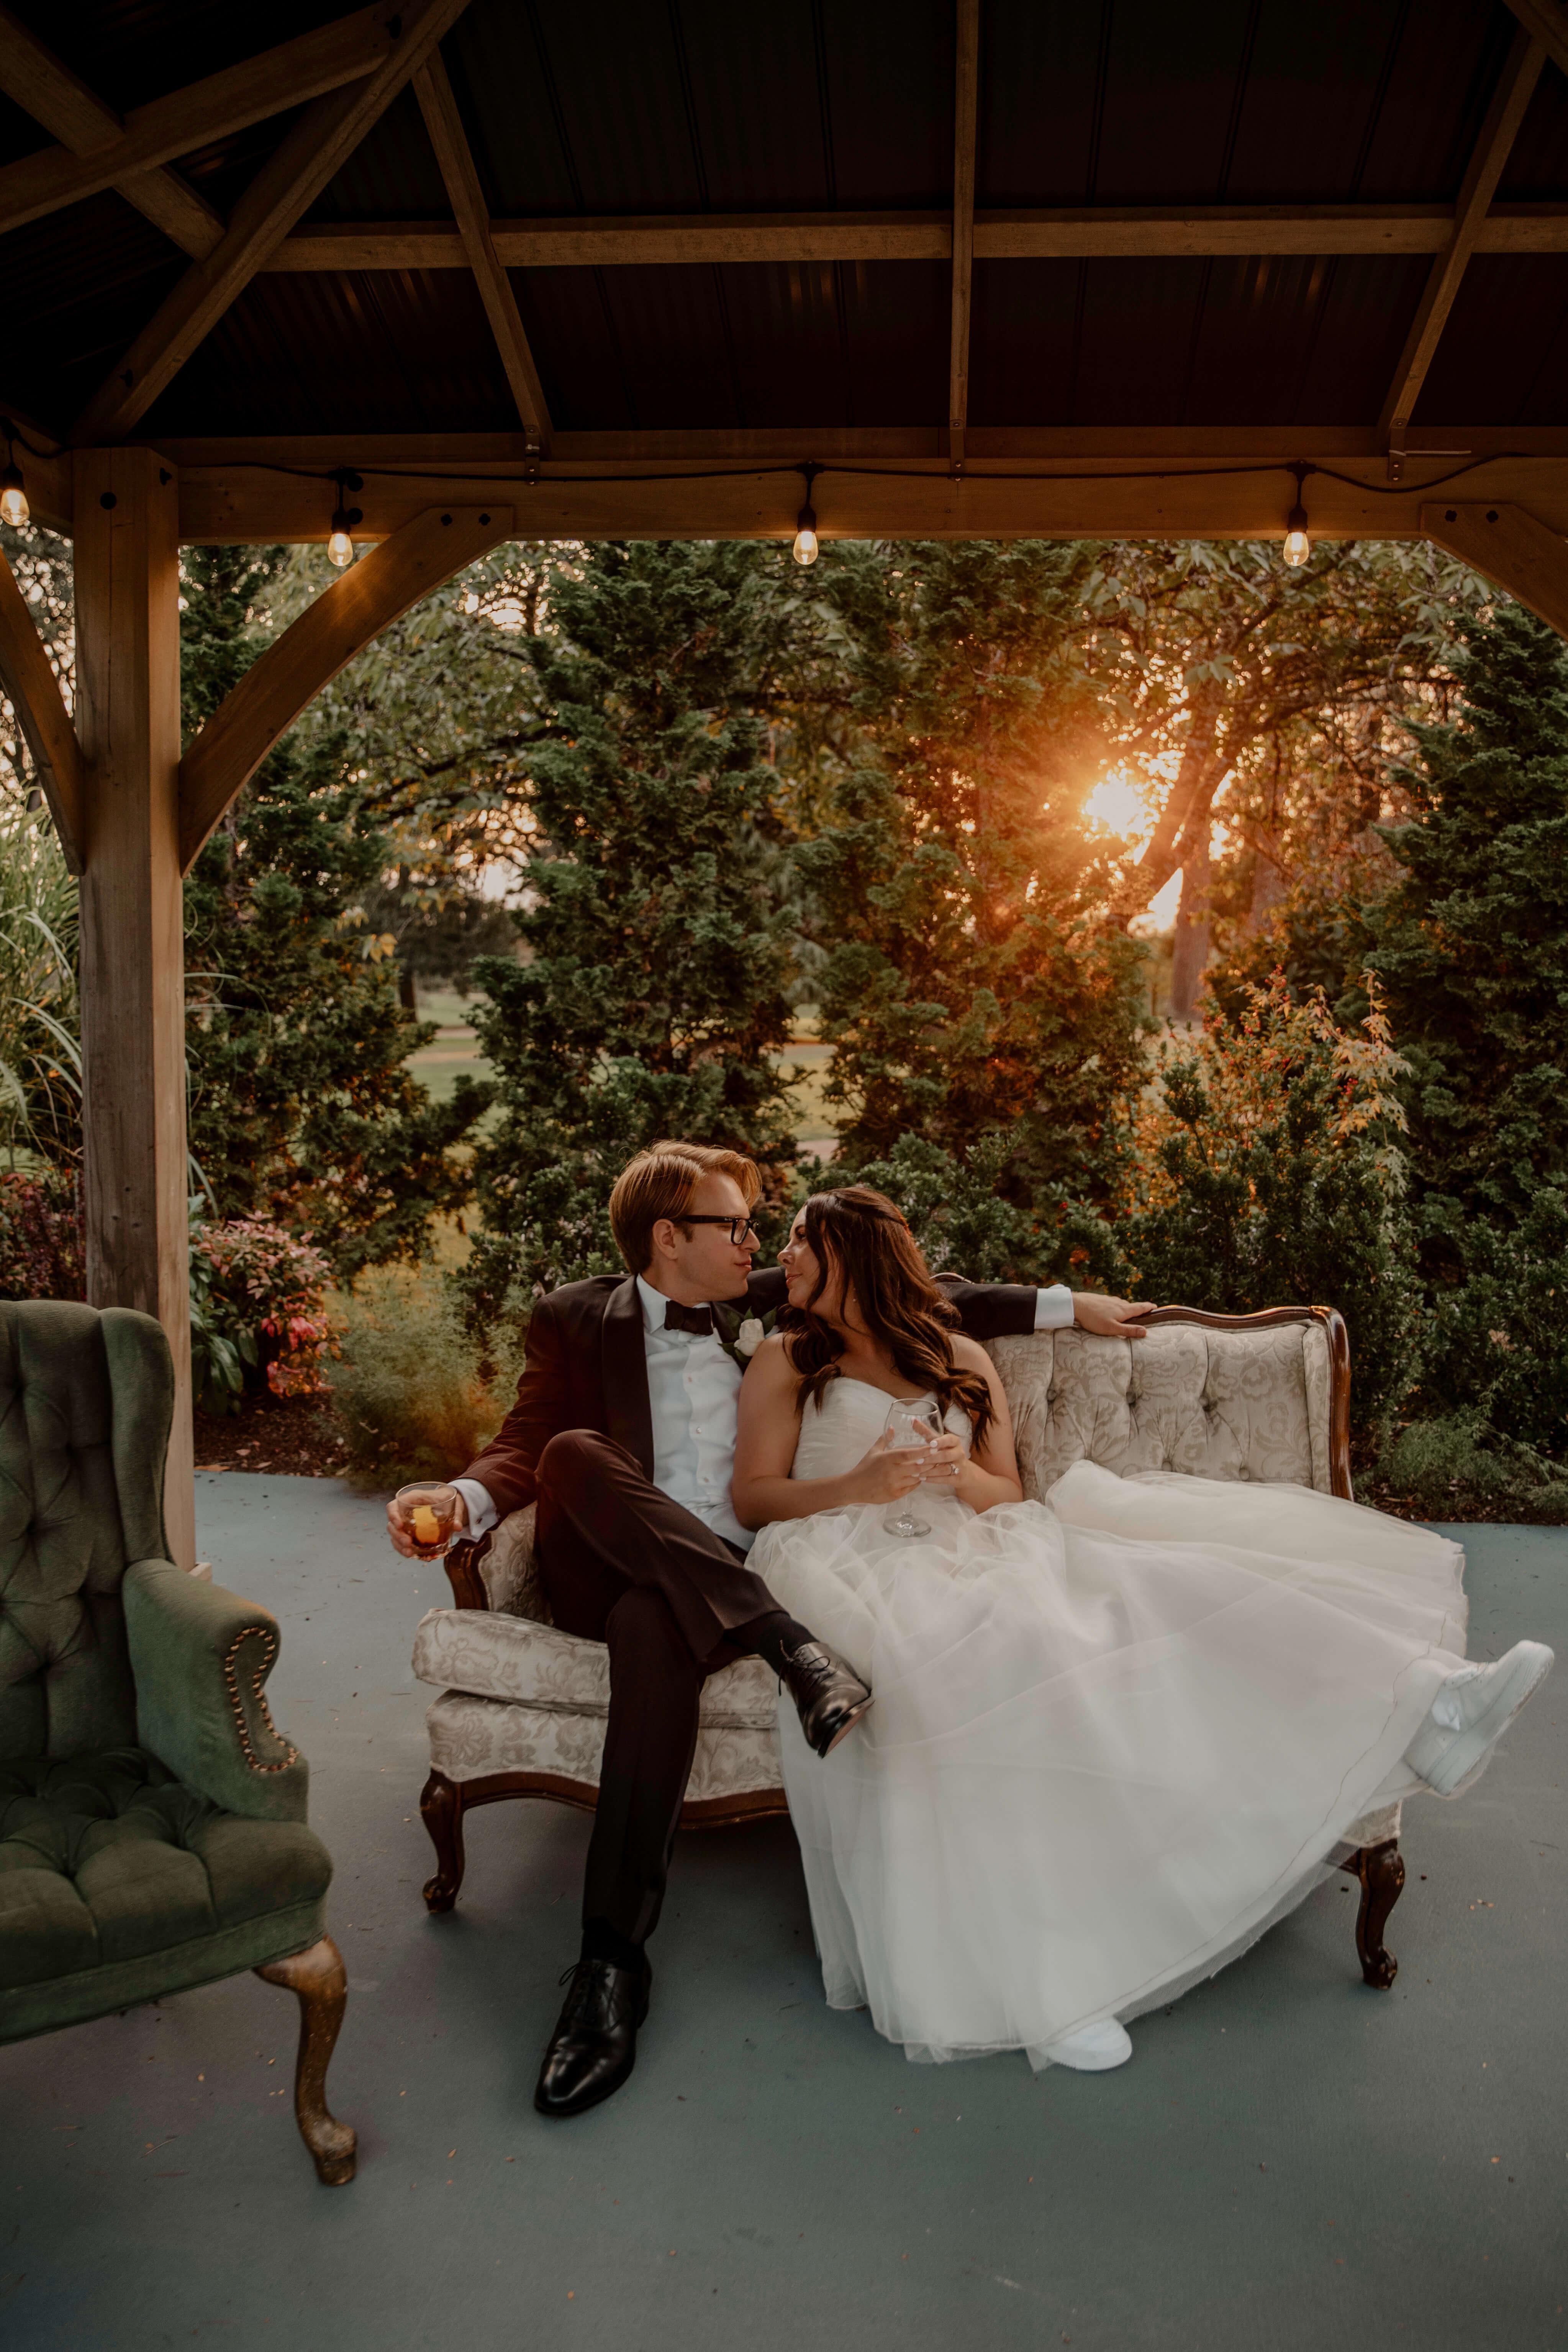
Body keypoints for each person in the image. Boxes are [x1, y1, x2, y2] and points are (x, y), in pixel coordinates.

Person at [384, 1142, 1153, 2115]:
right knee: (574, 1451)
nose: (754, 1243)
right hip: (617, 1554)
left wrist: (1066, 1304)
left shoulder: (767, 1306)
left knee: (659, 1623)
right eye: (735, 1226)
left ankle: (610, 1966)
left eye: (760, 1231)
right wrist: (455, 1501)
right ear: (670, 1238)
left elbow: (920, 1288)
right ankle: (792, 1646)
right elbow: (521, 1440)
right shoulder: (575, 1316)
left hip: (715, 1576)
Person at [732, 1186, 1554, 2074]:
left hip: (972, 1539)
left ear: (853, 1256)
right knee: (1010, 1647)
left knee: (1166, 1580)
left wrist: (953, 1471)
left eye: (801, 1239)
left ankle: (1429, 1702)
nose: (785, 1254)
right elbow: (754, 1497)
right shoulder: (786, 1357)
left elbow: (1005, 1494)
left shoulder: (956, 1354)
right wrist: (860, 1484)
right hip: (843, 1557)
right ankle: (1050, 1982)